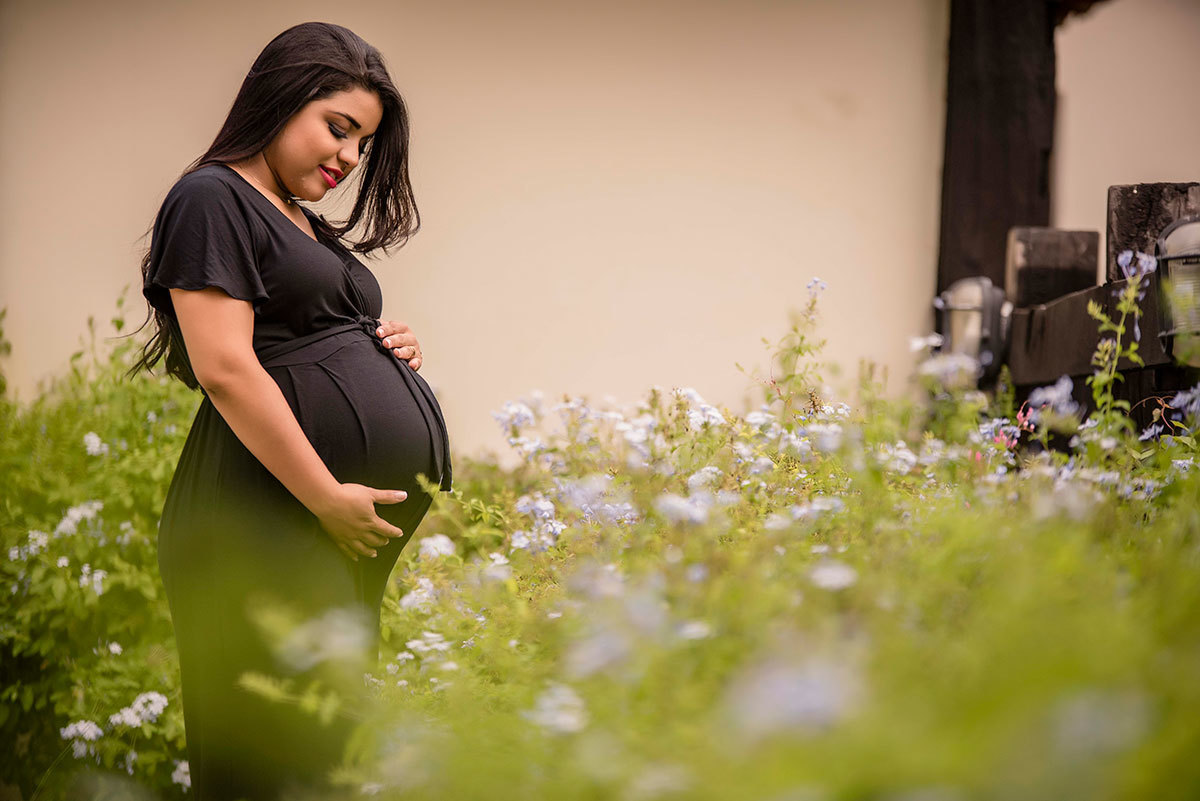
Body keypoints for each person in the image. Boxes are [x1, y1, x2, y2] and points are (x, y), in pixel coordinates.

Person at [130, 21, 452, 800]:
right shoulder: (212, 198)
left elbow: (300, 332)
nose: (350, 157)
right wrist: (325, 495)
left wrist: (386, 343)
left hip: (313, 525)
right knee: (271, 759)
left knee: (324, 756)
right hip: (262, 515)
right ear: (281, 98)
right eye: (338, 128)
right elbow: (227, 368)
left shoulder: (300, 218)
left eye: (362, 143)